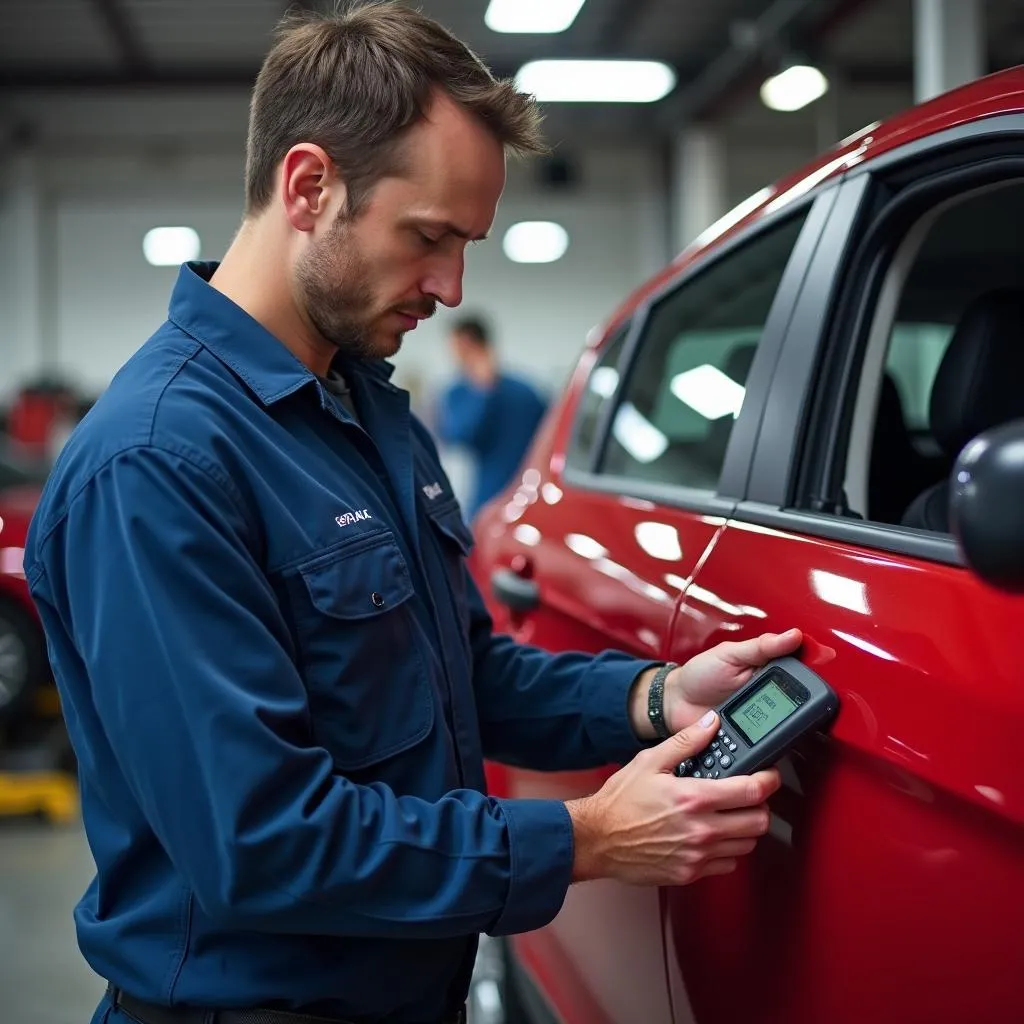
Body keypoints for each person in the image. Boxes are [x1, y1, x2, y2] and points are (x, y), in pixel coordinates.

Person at [23, 5, 801, 1023]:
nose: (450, 286)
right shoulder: (157, 463)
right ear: (310, 186)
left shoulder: (367, 412)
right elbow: (263, 841)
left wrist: (652, 696)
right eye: (428, 237)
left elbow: (458, 674)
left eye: (466, 244)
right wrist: (587, 838)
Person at [435, 316, 546, 519]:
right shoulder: (457, 392)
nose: (456, 356)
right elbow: (455, 437)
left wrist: (483, 390)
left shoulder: (524, 393)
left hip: (527, 495)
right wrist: (483, 390)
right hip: (486, 499)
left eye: (460, 349)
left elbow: (551, 438)